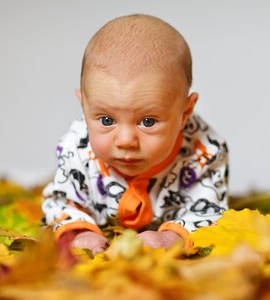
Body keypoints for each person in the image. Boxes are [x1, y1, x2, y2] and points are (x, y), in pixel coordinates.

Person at [41, 14, 229, 254]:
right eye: (107, 120)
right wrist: (78, 231)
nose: (126, 141)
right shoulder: (76, 147)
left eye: (147, 121)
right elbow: (59, 201)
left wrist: (174, 236)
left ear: (185, 113)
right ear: (84, 107)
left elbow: (211, 210)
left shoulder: (205, 152)